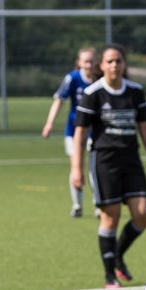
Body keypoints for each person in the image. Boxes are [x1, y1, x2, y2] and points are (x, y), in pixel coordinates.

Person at [71, 44, 146, 290]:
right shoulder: (93, 93)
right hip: (104, 161)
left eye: (118, 61)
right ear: (101, 65)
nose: (114, 65)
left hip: (131, 160)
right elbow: (80, 133)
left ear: (124, 64)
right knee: (111, 217)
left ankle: (118, 253)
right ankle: (109, 274)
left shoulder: (135, 91)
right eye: (109, 61)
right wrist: (76, 168)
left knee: (143, 213)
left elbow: (145, 128)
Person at [41, 47, 98, 217]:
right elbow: (59, 101)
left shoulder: (102, 78)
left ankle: (99, 204)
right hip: (74, 131)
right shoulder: (72, 78)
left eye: (92, 61)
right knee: (76, 166)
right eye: (86, 61)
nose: (89, 64)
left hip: (96, 132)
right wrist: (49, 123)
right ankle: (77, 205)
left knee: (95, 168)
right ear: (79, 63)